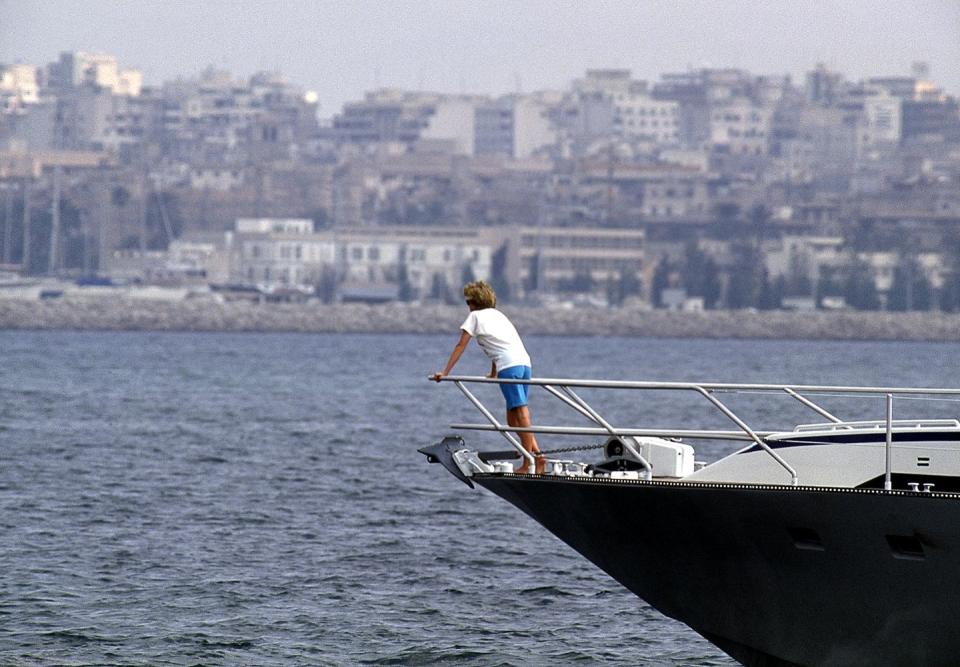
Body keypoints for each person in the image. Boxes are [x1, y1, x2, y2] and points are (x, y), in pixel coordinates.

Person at [432, 280, 544, 474]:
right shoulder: (498, 315)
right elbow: (498, 346)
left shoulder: (474, 317)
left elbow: (461, 345)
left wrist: (445, 373)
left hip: (509, 367)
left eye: (468, 302)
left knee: (521, 413)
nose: (467, 306)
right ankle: (538, 456)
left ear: (474, 302)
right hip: (524, 364)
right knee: (512, 419)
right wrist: (493, 373)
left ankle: (530, 463)